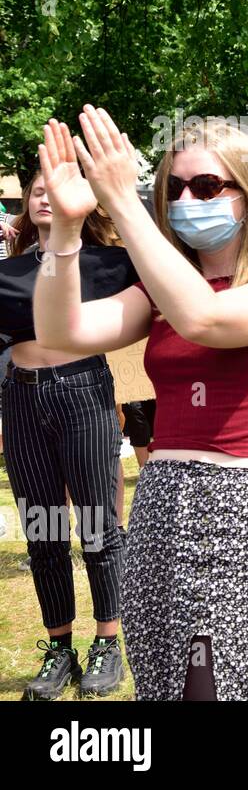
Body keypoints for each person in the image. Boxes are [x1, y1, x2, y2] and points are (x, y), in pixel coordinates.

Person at [35, 109, 248, 699]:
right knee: (166, 687)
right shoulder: (162, 290)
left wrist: (122, 201)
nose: (187, 198)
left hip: (240, 514)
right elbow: (61, 331)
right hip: (160, 508)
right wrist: (65, 231)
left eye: (208, 185)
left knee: (237, 686)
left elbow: (205, 318)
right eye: (175, 187)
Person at [1, 167, 133, 700]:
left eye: (56, 192)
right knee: (43, 530)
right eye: (37, 191)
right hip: (23, 396)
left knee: (99, 523)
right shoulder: (6, 272)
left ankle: (108, 641)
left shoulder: (110, 263)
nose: (46, 199)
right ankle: (59, 647)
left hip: (84, 392)